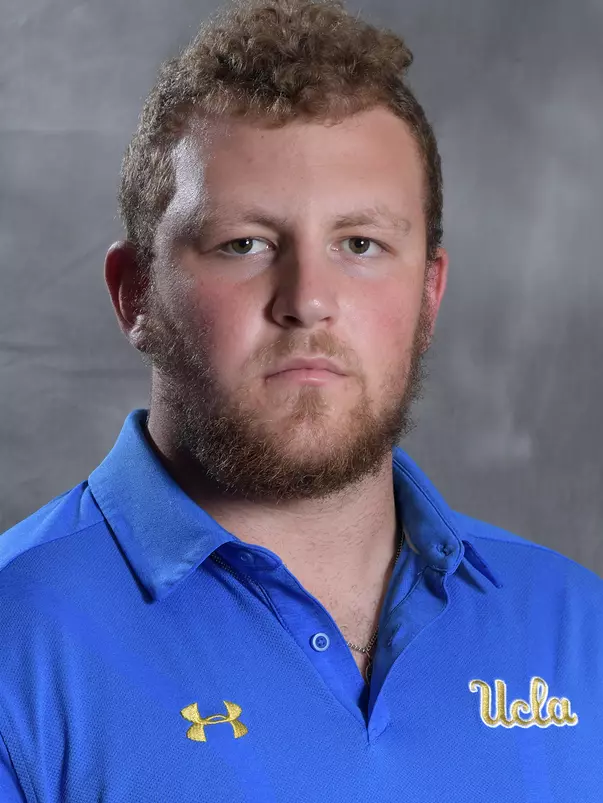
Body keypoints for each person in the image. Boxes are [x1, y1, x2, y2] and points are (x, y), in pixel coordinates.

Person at [1, 0, 602, 799]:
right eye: (243, 243)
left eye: (360, 244)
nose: (308, 299)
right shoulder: (17, 640)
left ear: (428, 296)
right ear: (134, 293)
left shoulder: (576, 628)